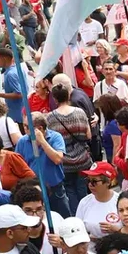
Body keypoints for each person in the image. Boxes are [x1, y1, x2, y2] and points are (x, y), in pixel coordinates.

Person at [46, 84, 92, 214]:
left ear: (55, 99)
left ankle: (76, 216)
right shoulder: (80, 112)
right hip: (83, 158)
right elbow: (88, 135)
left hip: (64, 161)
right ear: (68, 96)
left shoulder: (50, 118)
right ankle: (86, 214)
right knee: (82, 187)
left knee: (69, 190)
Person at [74, 162, 119, 241]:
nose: (90, 185)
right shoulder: (84, 202)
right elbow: (77, 230)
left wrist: (117, 231)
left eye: (94, 181)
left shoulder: (120, 201)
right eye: (88, 180)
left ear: (108, 182)